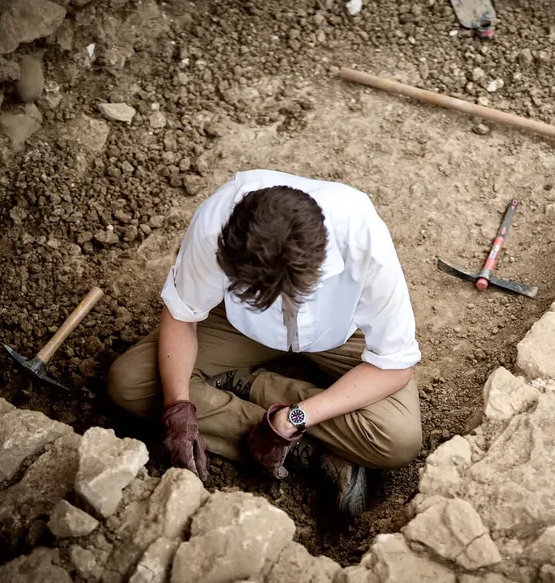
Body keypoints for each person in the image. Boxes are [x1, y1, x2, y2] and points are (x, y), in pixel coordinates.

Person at [107, 169, 422, 517]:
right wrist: (177, 408)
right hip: (240, 328)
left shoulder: (363, 237)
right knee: (130, 383)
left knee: (398, 439)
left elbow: (394, 365)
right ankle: (311, 454)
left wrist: (295, 418)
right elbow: (183, 315)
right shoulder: (217, 223)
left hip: (341, 334)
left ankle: (251, 386)